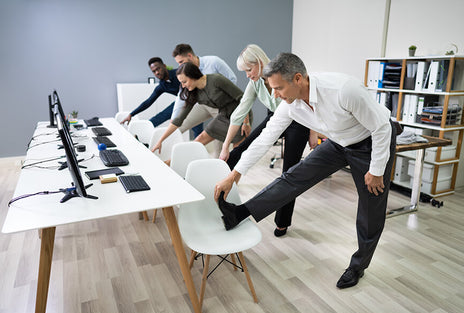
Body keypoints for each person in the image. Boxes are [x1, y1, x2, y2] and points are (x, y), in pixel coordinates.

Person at [214, 53, 396, 289]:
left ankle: (358, 265)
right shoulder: (289, 105)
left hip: (371, 142)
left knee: (371, 207)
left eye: (278, 88)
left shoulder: (344, 90)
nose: (275, 95)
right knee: (294, 177)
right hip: (340, 142)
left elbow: (382, 127)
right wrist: (233, 176)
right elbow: (264, 140)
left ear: (298, 79)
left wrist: (377, 170)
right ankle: (239, 213)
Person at [219, 44, 317, 237]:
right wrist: (225, 146)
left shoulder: (282, 74)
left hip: (298, 121)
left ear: (260, 62)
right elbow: (240, 112)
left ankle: (283, 221)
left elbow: (307, 99)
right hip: (276, 117)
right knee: (237, 153)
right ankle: (221, 196)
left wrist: (312, 131)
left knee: (290, 171)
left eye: (249, 69)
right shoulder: (254, 83)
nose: (247, 74)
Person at [150, 62, 247, 154]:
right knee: (198, 141)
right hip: (223, 116)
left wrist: (246, 121)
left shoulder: (216, 80)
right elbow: (178, 120)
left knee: (236, 152)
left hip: (240, 116)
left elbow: (242, 98)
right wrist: (160, 141)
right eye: (181, 83)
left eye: (184, 82)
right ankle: (170, 164)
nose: (183, 86)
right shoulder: (193, 92)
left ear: (192, 76)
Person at [120, 57, 203, 138]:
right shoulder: (162, 86)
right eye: (154, 71)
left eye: (158, 69)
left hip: (196, 101)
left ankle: (200, 146)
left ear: (164, 66)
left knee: (197, 128)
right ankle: (140, 133)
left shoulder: (178, 73)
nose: (157, 72)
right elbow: (148, 102)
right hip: (181, 102)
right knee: (162, 115)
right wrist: (131, 114)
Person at [170, 44, 239, 137]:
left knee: (219, 139)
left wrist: (221, 100)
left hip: (221, 107)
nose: (180, 65)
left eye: (181, 61)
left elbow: (232, 79)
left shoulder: (214, 62)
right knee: (177, 127)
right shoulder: (185, 71)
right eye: (178, 63)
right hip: (203, 104)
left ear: (190, 56)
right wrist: (174, 118)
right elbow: (181, 96)